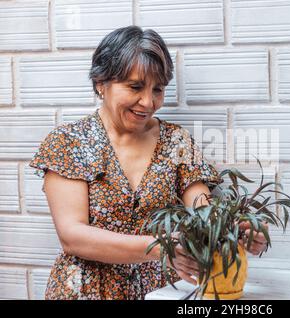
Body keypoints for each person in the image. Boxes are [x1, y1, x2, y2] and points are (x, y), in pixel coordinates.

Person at [29, 25, 268, 300]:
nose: (148, 102)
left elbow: (202, 212)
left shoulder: (176, 141)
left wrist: (234, 232)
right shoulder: (68, 142)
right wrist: (162, 246)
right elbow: (72, 236)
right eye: (135, 87)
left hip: (161, 291)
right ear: (100, 83)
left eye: (158, 89)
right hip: (86, 290)